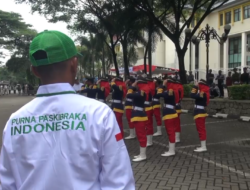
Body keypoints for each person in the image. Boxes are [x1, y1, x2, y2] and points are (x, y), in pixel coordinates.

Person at [0, 30, 135, 190]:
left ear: (34, 70)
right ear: (74, 64)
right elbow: (119, 182)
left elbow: (7, 184)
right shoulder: (99, 113)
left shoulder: (15, 122)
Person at [127, 79, 148, 162]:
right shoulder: (139, 92)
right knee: (140, 135)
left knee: (141, 135)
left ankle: (143, 155)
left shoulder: (141, 92)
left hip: (139, 116)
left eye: (138, 84)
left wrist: (132, 86)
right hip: (137, 115)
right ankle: (141, 154)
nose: (136, 85)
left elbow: (128, 95)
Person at [157, 78, 178, 157]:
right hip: (169, 112)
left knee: (170, 132)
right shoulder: (171, 91)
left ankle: (172, 151)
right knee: (170, 132)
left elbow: (159, 94)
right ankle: (171, 150)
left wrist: (163, 85)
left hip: (169, 113)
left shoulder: (170, 91)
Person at [190, 79, 210, 152]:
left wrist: (195, 86)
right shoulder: (203, 92)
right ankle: (202, 145)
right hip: (199, 111)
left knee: (201, 129)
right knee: (200, 129)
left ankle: (203, 147)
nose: (198, 85)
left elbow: (192, 95)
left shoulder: (203, 92)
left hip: (199, 112)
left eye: (199, 84)